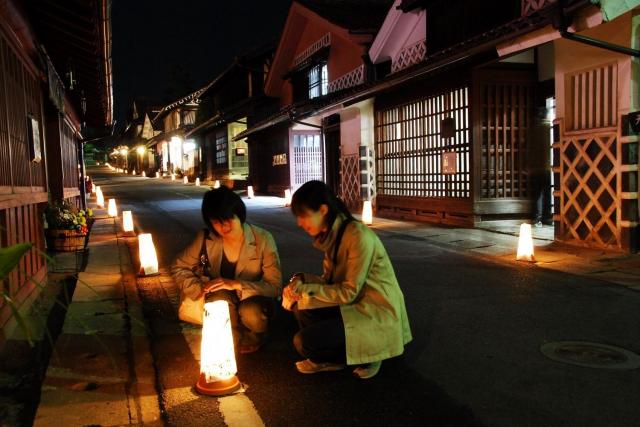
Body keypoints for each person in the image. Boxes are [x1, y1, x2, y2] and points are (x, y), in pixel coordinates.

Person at [282, 180, 412, 379]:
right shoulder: (334, 235)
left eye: (303, 216)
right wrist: (300, 281)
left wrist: (306, 291)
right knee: (301, 307)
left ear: (323, 210)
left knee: (303, 342)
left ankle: (368, 353)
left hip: (374, 309)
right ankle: (340, 354)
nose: (300, 223)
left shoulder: (357, 235)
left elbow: (349, 292)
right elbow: (329, 280)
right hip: (353, 304)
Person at [171, 186, 282, 353]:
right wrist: (198, 289)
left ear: (239, 214)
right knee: (218, 301)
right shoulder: (205, 238)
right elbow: (179, 266)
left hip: (254, 299)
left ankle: (256, 335)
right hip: (221, 298)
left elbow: (274, 286)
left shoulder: (263, 238)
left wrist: (236, 284)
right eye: (216, 222)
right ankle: (230, 334)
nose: (224, 226)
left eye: (228, 218)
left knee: (252, 312)